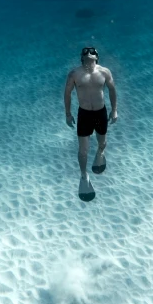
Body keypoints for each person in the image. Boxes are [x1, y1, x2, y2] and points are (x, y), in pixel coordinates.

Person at [64, 47, 118, 200]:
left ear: (97, 57)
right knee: (83, 150)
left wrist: (114, 110)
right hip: (84, 114)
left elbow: (112, 90)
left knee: (102, 143)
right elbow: (67, 94)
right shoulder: (74, 74)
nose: (89, 53)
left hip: (100, 112)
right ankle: (83, 176)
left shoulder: (104, 72)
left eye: (93, 52)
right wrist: (68, 114)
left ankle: (100, 153)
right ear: (81, 57)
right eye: (86, 52)